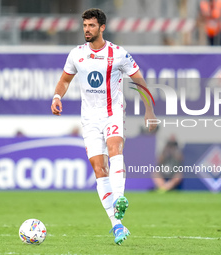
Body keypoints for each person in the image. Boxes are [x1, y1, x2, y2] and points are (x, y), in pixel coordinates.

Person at [51, 8, 156, 245]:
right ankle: (117, 224)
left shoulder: (118, 54)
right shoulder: (76, 54)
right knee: (99, 169)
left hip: (113, 114)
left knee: (115, 147)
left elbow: (139, 81)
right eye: (85, 25)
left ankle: (119, 198)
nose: (86, 29)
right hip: (89, 119)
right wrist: (56, 97)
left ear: (102, 28)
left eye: (91, 25)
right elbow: (65, 80)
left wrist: (149, 109)